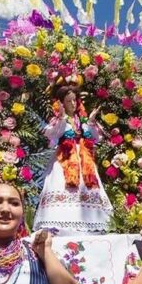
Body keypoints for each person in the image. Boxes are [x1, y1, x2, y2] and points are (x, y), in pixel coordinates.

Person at [32, 85, 114, 234]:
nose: (72, 104)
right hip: (65, 157)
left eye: (74, 100)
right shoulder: (58, 120)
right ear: (62, 103)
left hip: (84, 158)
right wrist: (63, 119)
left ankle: (91, 225)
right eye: (68, 101)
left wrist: (90, 122)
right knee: (62, 187)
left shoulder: (81, 119)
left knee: (89, 189)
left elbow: (96, 137)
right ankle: (60, 224)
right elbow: (52, 135)